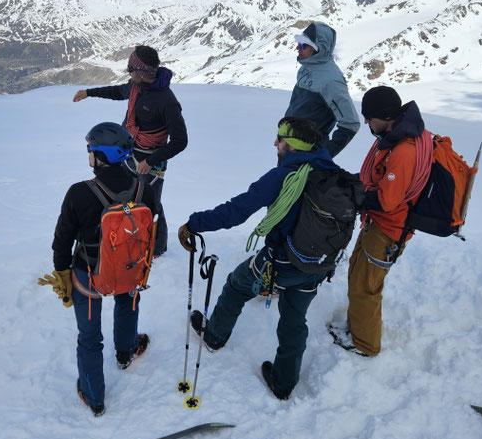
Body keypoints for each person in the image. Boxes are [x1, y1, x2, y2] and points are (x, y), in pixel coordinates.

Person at [176, 116, 340, 400]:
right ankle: (283, 383)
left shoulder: (282, 177)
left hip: (283, 261)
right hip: (317, 264)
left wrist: (194, 223)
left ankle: (214, 337)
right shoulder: (333, 173)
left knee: (237, 285)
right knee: (294, 319)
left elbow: (236, 211)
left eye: (281, 139)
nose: (275, 143)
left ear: (293, 146)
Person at [38, 122, 159, 416]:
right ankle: (126, 351)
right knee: (128, 303)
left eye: (90, 150)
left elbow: (62, 241)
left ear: (99, 155)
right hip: (129, 268)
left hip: (89, 274)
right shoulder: (145, 188)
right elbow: (150, 226)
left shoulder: (79, 193)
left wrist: (63, 274)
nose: (88, 154)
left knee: (90, 337)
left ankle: (94, 396)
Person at [330, 86, 431, 357]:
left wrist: (353, 195)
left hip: (388, 230)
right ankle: (357, 327)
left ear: (386, 116)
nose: (366, 122)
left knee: (366, 287)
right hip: (378, 224)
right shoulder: (394, 136)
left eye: (369, 117)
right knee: (357, 274)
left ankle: (365, 345)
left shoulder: (403, 151)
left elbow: (387, 200)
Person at [73, 45, 187, 256]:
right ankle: (127, 238)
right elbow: (117, 92)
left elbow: (180, 141)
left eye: (130, 68)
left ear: (142, 73)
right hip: (128, 153)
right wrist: (88, 93)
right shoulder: (136, 87)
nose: (128, 72)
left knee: (151, 205)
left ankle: (157, 250)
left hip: (150, 161)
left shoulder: (167, 102)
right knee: (125, 197)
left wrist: (151, 161)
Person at [286, 22, 360, 159]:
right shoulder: (306, 68)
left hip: (308, 157)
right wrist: (282, 138)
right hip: (289, 150)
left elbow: (351, 123)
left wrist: (323, 155)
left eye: (303, 45)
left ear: (318, 48)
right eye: (298, 43)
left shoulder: (331, 81)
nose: (297, 48)